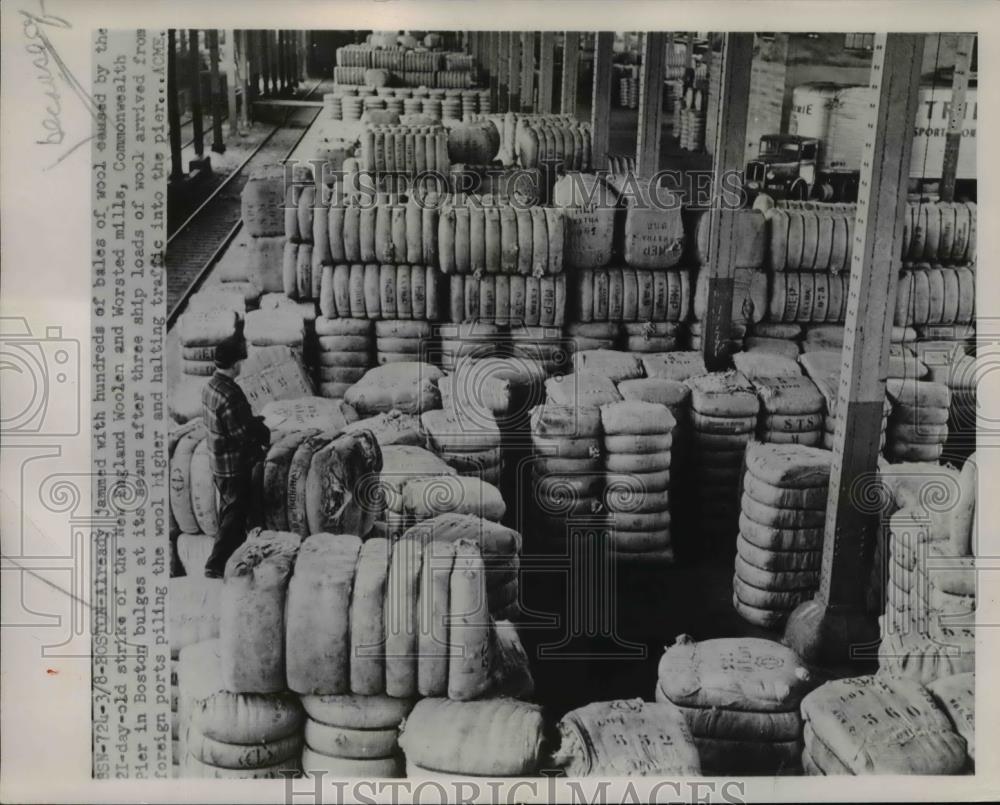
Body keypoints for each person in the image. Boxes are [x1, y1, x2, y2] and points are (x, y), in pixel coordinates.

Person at [200, 335, 270, 577]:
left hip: (218, 461)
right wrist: (262, 434)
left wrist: (250, 422)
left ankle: (229, 559)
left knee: (228, 510)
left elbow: (227, 423)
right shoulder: (231, 393)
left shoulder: (211, 386)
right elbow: (243, 434)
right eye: (240, 360)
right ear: (236, 363)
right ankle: (215, 564)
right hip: (234, 466)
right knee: (235, 515)